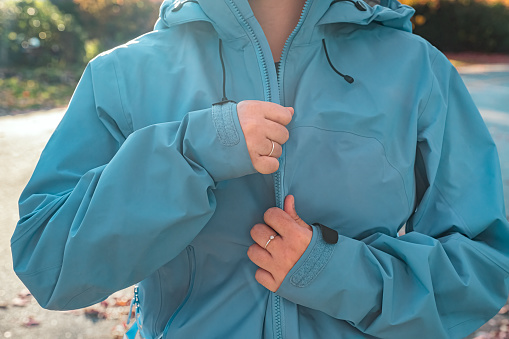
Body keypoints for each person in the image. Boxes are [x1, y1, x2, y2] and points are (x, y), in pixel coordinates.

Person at [10, 0, 509, 337]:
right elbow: (48, 264)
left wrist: (340, 274)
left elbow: (485, 265)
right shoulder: (123, 74)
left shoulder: (418, 71)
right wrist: (194, 151)